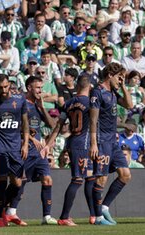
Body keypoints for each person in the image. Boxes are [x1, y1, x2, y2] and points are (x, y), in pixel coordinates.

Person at [43, 74, 96, 226]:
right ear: (89, 86)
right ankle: (64, 216)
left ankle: (94, 215)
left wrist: (49, 144)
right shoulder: (90, 103)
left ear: (78, 86)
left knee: (90, 177)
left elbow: (58, 125)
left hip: (73, 141)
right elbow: (93, 124)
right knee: (78, 179)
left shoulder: (68, 103)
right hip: (83, 143)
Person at [5, 76, 57, 226]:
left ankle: (46, 217)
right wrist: (30, 139)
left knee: (47, 179)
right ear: (29, 88)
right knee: (19, 182)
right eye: (38, 88)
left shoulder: (37, 105)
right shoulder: (20, 104)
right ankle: (7, 210)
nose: (41, 91)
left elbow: (52, 124)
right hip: (24, 149)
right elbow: (15, 125)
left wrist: (42, 107)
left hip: (39, 152)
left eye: (41, 88)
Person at [89, 62, 133, 225]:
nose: (121, 80)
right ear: (110, 75)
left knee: (125, 175)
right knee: (101, 179)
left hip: (113, 141)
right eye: (119, 77)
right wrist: (93, 143)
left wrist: (123, 86)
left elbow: (129, 105)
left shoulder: (114, 91)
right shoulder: (97, 92)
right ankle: (98, 217)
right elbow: (93, 120)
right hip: (101, 141)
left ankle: (105, 207)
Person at [0, 74, 29, 227]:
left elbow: (25, 123)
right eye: (0, 87)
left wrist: (25, 143)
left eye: (5, 86)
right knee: (1, 181)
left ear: (9, 84)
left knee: (17, 183)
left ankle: (6, 210)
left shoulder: (20, 100)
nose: (3, 90)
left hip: (16, 147)